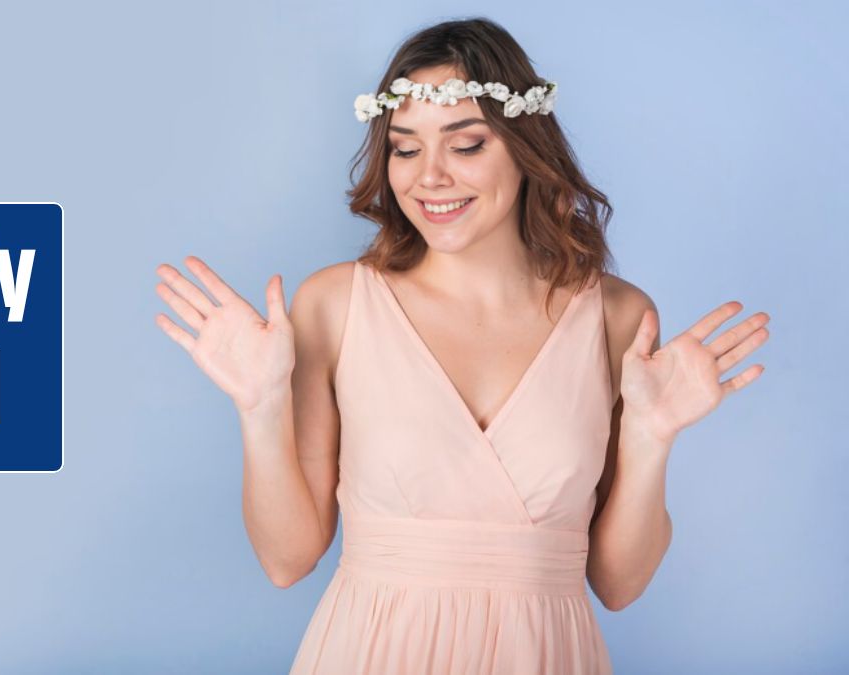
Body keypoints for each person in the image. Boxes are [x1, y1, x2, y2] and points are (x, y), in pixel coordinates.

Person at [153, 16, 769, 675]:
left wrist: (651, 439)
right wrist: (260, 406)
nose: (429, 176)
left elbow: (619, 585)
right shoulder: (334, 305)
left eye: (466, 144)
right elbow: (287, 559)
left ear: (525, 146)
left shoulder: (618, 316)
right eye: (405, 148)